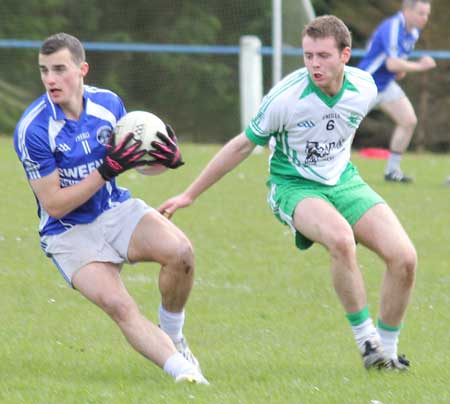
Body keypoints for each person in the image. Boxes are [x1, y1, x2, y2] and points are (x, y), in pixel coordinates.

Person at [159, 15, 417, 370]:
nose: (314, 64)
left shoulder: (365, 88)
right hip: (293, 186)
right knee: (341, 239)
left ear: (345, 55)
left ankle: (387, 353)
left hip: (344, 180)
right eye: (308, 55)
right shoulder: (286, 98)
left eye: (323, 56)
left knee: (405, 259)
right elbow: (240, 146)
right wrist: (190, 194)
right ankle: (367, 342)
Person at [13, 33, 208, 384]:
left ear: (82, 69)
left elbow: (132, 161)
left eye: (59, 69)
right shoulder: (34, 129)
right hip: (68, 233)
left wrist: (165, 159)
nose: (50, 79)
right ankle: (186, 375)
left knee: (181, 253)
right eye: (44, 71)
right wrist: (106, 171)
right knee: (120, 306)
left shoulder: (109, 104)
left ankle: (174, 336)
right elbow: (54, 205)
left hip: (114, 210)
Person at [358, 0, 436, 183]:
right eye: (421, 13)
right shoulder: (392, 27)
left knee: (408, 121)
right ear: (406, 10)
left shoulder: (414, 32)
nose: (424, 18)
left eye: (427, 14)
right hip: (366, 84)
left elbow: (396, 65)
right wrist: (420, 66)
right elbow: (392, 63)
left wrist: (402, 69)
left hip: (385, 85)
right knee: (345, 126)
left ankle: (392, 171)